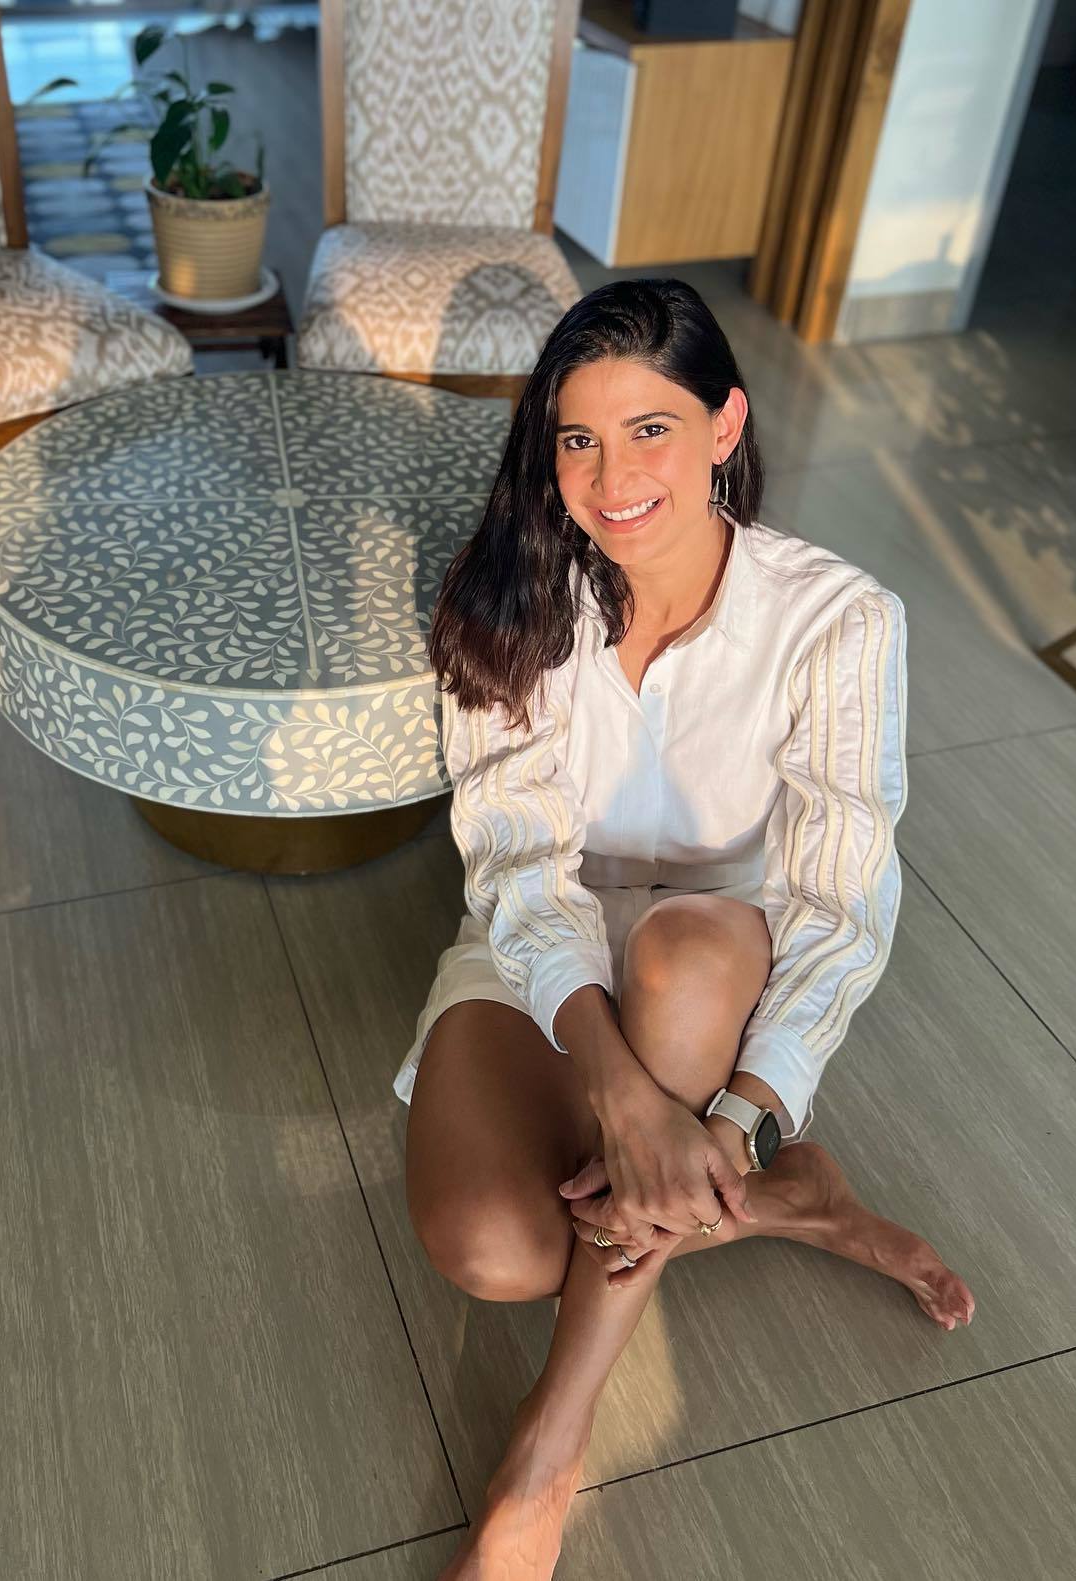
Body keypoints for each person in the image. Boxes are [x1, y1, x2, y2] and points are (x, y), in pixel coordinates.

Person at [394, 279, 976, 1579]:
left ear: (726, 425)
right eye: (579, 439)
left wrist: (738, 1112)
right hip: (541, 939)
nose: (612, 480)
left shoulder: (838, 619)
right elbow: (517, 860)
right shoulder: (510, 596)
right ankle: (785, 1201)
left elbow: (839, 900)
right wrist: (622, 1094)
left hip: (714, 954)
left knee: (688, 952)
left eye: (650, 429)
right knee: (500, 1249)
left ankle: (546, 1452)